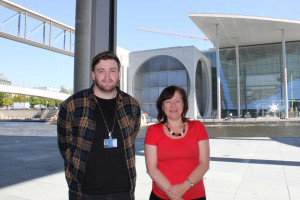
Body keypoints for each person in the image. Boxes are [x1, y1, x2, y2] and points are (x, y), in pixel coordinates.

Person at [57, 51, 141, 200]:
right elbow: (64, 145)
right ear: (93, 75)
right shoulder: (73, 105)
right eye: (101, 71)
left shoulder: (132, 105)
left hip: (123, 191)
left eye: (112, 71)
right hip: (85, 191)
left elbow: (132, 136)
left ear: (119, 74)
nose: (107, 76)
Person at [144, 86, 210, 200]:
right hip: (162, 196)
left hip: (195, 195)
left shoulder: (198, 127)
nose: (173, 105)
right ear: (162, 106)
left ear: (184, 105)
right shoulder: (153, 131)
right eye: (168, 101)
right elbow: (151, 169)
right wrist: (175, 195)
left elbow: (204, 164)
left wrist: (183, 188)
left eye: (177, 101)